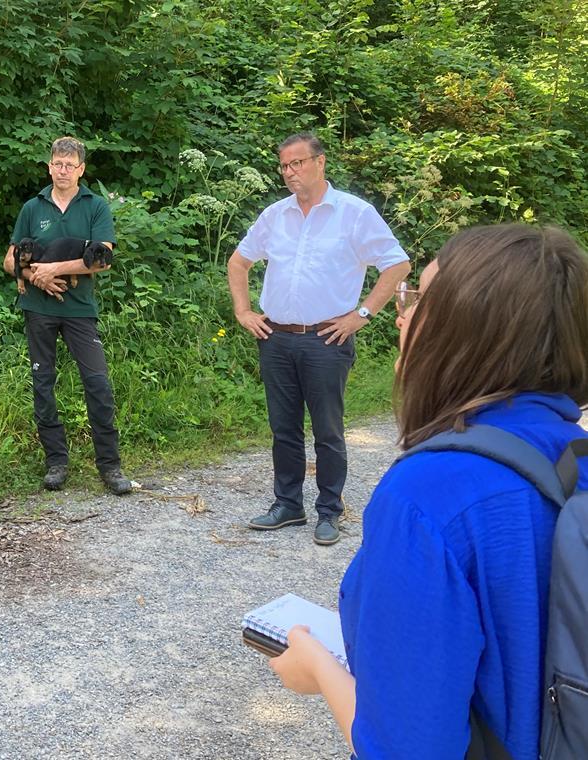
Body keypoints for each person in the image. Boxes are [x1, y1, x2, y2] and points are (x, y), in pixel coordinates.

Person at [269, 224, 588, 758]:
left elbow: (405, 749)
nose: (401, 314)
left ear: (464, 329)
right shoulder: (574, 454)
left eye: (417, 299)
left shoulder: (427, 496)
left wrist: (316, 667)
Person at [227, 132, 410, 545]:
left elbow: (397, 264)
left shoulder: (353, 214)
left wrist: (361, 315)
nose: (290, 172)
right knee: (283, 427)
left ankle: (330, 509)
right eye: (284, 166)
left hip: (327, 339)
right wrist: (243, 312)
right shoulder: (275, 215)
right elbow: (238, 262)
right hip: (276, 336)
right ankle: (288, 504)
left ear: (320, 162)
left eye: (297, 163)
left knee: (328, 430)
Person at [2, 136, 132, 495]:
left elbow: (102, 259)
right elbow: (10, 260)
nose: (63, 170)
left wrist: (54, 267)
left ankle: (110, 466)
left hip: (79, 310)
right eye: (57, 164)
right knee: (43, 385)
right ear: (49, 166)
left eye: (70, 164)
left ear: (81, 169)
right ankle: (56, 462)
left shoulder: (95, 206)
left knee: (98, 383)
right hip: (38, 309)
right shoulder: (33, 207)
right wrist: (34, 277)